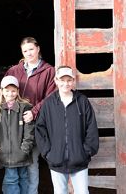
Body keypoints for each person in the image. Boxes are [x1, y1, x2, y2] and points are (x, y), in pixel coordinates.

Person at [0, 37, 57, 194]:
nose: (28, 53)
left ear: (38, 49)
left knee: (31, 164)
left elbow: (51, 96)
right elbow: (3, 90)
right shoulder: (14, 71)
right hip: (11, 125)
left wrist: (34, 112)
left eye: (31, 49)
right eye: (25, 50)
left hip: (32, 124)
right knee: (13, 169)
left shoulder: (48, 71)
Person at [35, 66, 99, 194]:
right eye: (62, 80)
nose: (65, 83)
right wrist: (47, 152)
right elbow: (40, 129)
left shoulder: (82, 101)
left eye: (69, 80)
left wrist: (86, 151)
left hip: (79, 160)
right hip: (56, 160)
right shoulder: (49, 103)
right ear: (56, 80)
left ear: (73, 80)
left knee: (82, 192)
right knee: (60, 192)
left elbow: (91, 127)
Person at [0, 76, 35, 194]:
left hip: (22, 153)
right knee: (11, 179)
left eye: (13, 90)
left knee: (24, 178)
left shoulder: (25, 107)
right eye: (7, 90)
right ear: (2, 91)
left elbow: (29, 131)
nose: (10, 93)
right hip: (6, 153)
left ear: (18, 91)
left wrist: (25, 149)